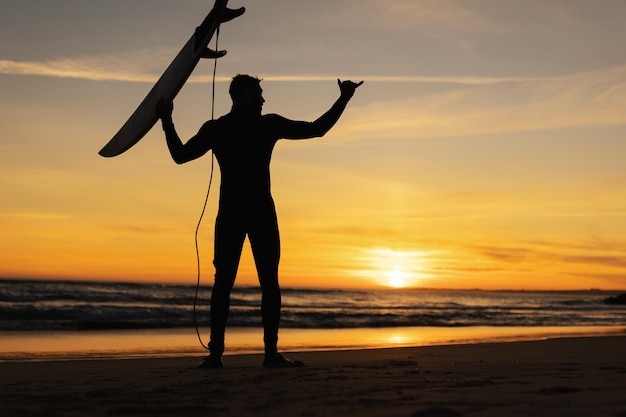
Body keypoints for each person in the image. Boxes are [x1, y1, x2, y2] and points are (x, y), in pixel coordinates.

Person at [158, 75, 362, 368]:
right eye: (258, 94)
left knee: (232, 284)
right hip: (256, 212)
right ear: (240, 96)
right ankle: (259, 355)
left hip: (235, 213)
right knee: (256, 284)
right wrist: (344, 98)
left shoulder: (221, 128)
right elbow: (317, 130)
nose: (263, 100)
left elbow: (179, 156)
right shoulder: (262, 125)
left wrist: (167, 121)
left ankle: (225, 356)